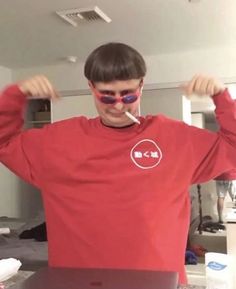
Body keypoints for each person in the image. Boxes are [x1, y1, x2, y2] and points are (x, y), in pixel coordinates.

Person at [0, 42, 236, 284]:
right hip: (78, 282)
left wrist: (221, 97)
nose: (119, 106)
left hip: (156, 282)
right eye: (107, 96)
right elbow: (3, 142)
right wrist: (14, 97)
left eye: (128, 94)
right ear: (91, 87)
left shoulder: (175, 138)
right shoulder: (59, 141)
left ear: (141, 85)